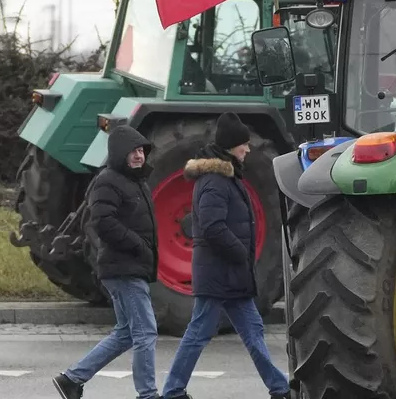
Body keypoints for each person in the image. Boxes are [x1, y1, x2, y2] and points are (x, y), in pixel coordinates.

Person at [161, 113, 292, 399]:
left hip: (230, 274)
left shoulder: (227, 177)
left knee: (253, 329)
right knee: (199, 332)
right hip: (220, 273)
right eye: (243, 144)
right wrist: (239, 253)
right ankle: (172, 390)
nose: (248, 149)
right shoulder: (215, 182)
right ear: (232, 146)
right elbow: (211, 227)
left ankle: (280, 388)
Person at [54, 125, 161, 399]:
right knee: (145, 332)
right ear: (119, 154)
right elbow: (103, 222)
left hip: (131, 266)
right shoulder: (108, 180)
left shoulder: (137, 181)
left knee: (126, 333)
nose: (139, 156)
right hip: (122, 268)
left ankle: (71, 379)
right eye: (133, 151)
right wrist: (138, 246)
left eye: (141, 151)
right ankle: (148, 394)